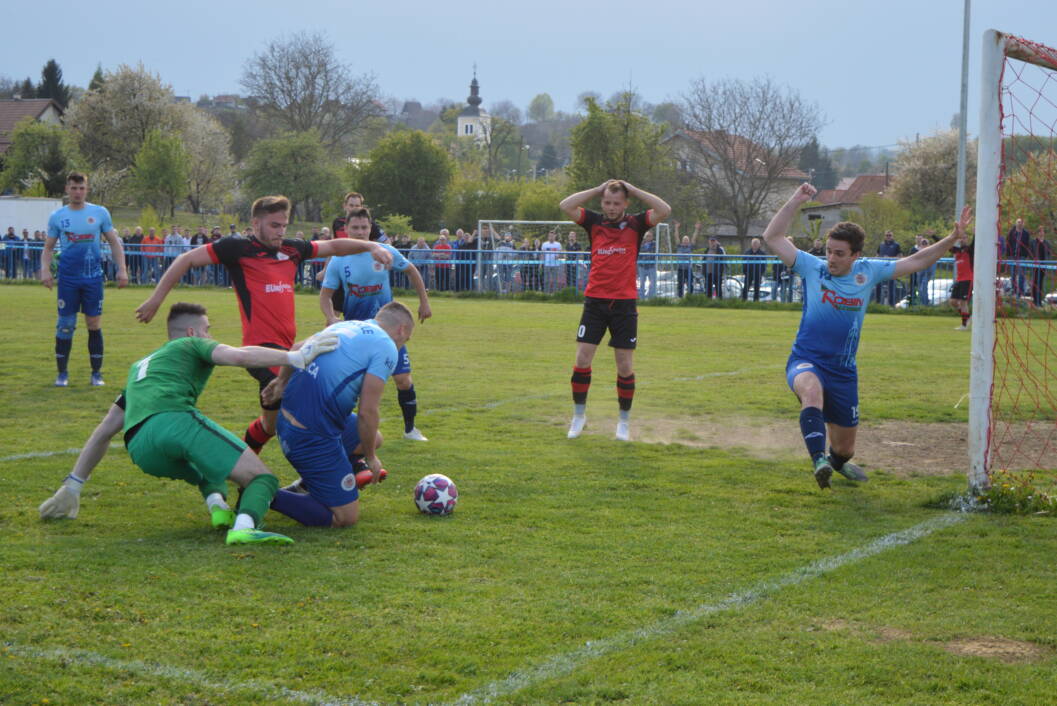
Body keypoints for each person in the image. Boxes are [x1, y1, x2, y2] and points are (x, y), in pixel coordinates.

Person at [38, 302, 339, 545]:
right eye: (208, 330)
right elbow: (238, 355)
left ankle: (218, 508)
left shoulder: (141, 367)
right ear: (193, 332)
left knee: (207, 465)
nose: (209, 336)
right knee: (262, 479)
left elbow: (105, 430)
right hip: (174, 422)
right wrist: (295, 356)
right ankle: (244, 528)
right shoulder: (192, 345)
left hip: (141, 449)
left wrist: (74, 485)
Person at [134, 195, 394, 456]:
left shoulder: (292, 250)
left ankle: (243, 463)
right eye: (274, 225)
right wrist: (155, 299)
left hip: (288, 348)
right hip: (260, 350)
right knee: (308, 403)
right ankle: (344, 461)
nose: (280, 232)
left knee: (268, 426)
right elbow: (186, 260)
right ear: (255, 223)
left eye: (284, 225)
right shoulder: (237, 248)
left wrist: (370, 247)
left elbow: (334, 246)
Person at [762, 183, 972, 489]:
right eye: (829, 251)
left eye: (839, 254)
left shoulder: (867, 271)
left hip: (843, 370)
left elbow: (916, 262)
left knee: (846, 449)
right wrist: (796, 200)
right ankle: (819, 461)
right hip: (806, 359)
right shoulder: (811, 268)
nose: (830, 259)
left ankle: (835, 461)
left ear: (856, 255)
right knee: (811, 392)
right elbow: (773, 237)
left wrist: (952, 238)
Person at [265, 302, 415, 528]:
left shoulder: (347, 326)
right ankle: (262, 492)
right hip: (309, 436)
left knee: (374, 438)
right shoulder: (387, 346)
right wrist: (371, 458)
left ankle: (312, 482)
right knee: (345, 517)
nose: (403, 344)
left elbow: (296, 347)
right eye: (406, 339)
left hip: (287, 423)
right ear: (402, 330)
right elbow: (367, 411)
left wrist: (280, 382)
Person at [559, 179, 671, 441]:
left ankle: (623, 422)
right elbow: (566, 205)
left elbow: (664, 209)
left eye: (616, 203)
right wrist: (598, 189)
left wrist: (633, 189)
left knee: (624, 366)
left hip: (624, 304)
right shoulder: (593, 222)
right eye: (607, 202)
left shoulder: (636, 223)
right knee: (582, 360)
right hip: (595, 302)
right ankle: (578, 416)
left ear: (626, 203)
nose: (611, 207)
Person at [319, 207, 433, 442]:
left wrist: (424, 302)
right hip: (355, 334)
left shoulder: (385, 252)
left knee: (403, 380)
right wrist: (331, 317)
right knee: (356, 385)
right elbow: (325, 296)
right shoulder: (340, 259)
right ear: (346, 229)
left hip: (388, 331)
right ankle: (348, 430)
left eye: (364, 227)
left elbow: (411, 270)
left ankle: (410, 429)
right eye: (355, 228)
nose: (360, 232)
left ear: (370, 229)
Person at [42, 172, 129, 387]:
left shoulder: (99, 213)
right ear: (67, 189)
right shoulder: (58, 216)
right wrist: (44, 270)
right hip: (68, 279)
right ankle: (62, 374)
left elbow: (115, 243)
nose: (77, 192)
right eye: (73, 188)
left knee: (93, 323)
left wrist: (122, 269)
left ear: (87, 189)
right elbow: (48, 247)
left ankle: (96, 374)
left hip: (92, 279)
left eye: (81, 188)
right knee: (65, 325)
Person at [950, 236, 974, 330]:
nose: (962, 239)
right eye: (961, 238)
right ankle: (967, 317)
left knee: (963, 302)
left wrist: (975, 233)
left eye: (964, 238)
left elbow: (974, 242)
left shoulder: (969, 250)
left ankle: (964, 325)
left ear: (967, 240)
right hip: (959, 280)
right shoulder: (956, 251)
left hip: (968, 279)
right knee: (953, 302)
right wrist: (933, 236)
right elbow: (945, 245)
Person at [1006, 218, 1032, 298]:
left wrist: (1027, 255)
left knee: (1021, 274)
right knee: (1013, 274)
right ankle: (1013, 290)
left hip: (1022, 256)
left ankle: (1020, 292)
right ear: (1016, 223)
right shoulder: (1012, 232)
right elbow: (1008, 243)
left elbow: (1028, 245)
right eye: (1018, 222)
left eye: (1021, 222)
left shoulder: (1026, 233)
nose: (1020, 223)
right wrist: (1008, 254)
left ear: (1023, 224)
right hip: (1012, 256)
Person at [673, 222, 700, 298]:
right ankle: (680, 297)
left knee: (690, 283)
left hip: (688, 269)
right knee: (680, 284)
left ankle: (690, 297)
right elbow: (676, 237)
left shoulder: (690, 247)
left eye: (687, 240)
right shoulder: (679, 246)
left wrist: (696, 229)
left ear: (688, 241)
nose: (685, 241)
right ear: (682, 241)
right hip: (680, 268)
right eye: (684, 240)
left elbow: (694, 238)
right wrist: (676, 228)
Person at [876, 231, 902, 305]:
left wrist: (890, 258)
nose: (888, 236)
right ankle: (877, 304)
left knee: (891, 286)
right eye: (887, 235)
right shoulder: (881, 244)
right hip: (881, 267)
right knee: (878, 286)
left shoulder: (896, 245)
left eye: (890, 235)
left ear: (892, 236)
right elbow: (877, 255)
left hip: (891, 267)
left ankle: (891, 305)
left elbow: (900, 256)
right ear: (885, 236)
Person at [1031, 226, 1052, 308]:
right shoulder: (1033, 242)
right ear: (1037, 233)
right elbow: (1031, 252)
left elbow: (1049, 253)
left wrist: (1047, 262)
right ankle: (1035, 300)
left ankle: (1039, 301)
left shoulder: (1047, 243)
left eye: (1043, 231)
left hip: (1043, 265)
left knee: (1041, 283)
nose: (1041, 233)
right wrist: (1034, 260)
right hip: (1035, 265)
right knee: (1035, 282)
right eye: (1040, 231)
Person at [741, 237, 767, 302]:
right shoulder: (747, 253)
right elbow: (744, 263)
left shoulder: (762, 254)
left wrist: (761, 272)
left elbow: (764, 265)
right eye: (753, 243)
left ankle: (756, 302)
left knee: (757, 289)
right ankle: (743, 302)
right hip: (748, 273)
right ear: (751, 244)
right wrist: (745, 272)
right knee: (746, 288)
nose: (755, 245)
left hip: (758, 274)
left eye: (756, 243)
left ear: (759, 245)